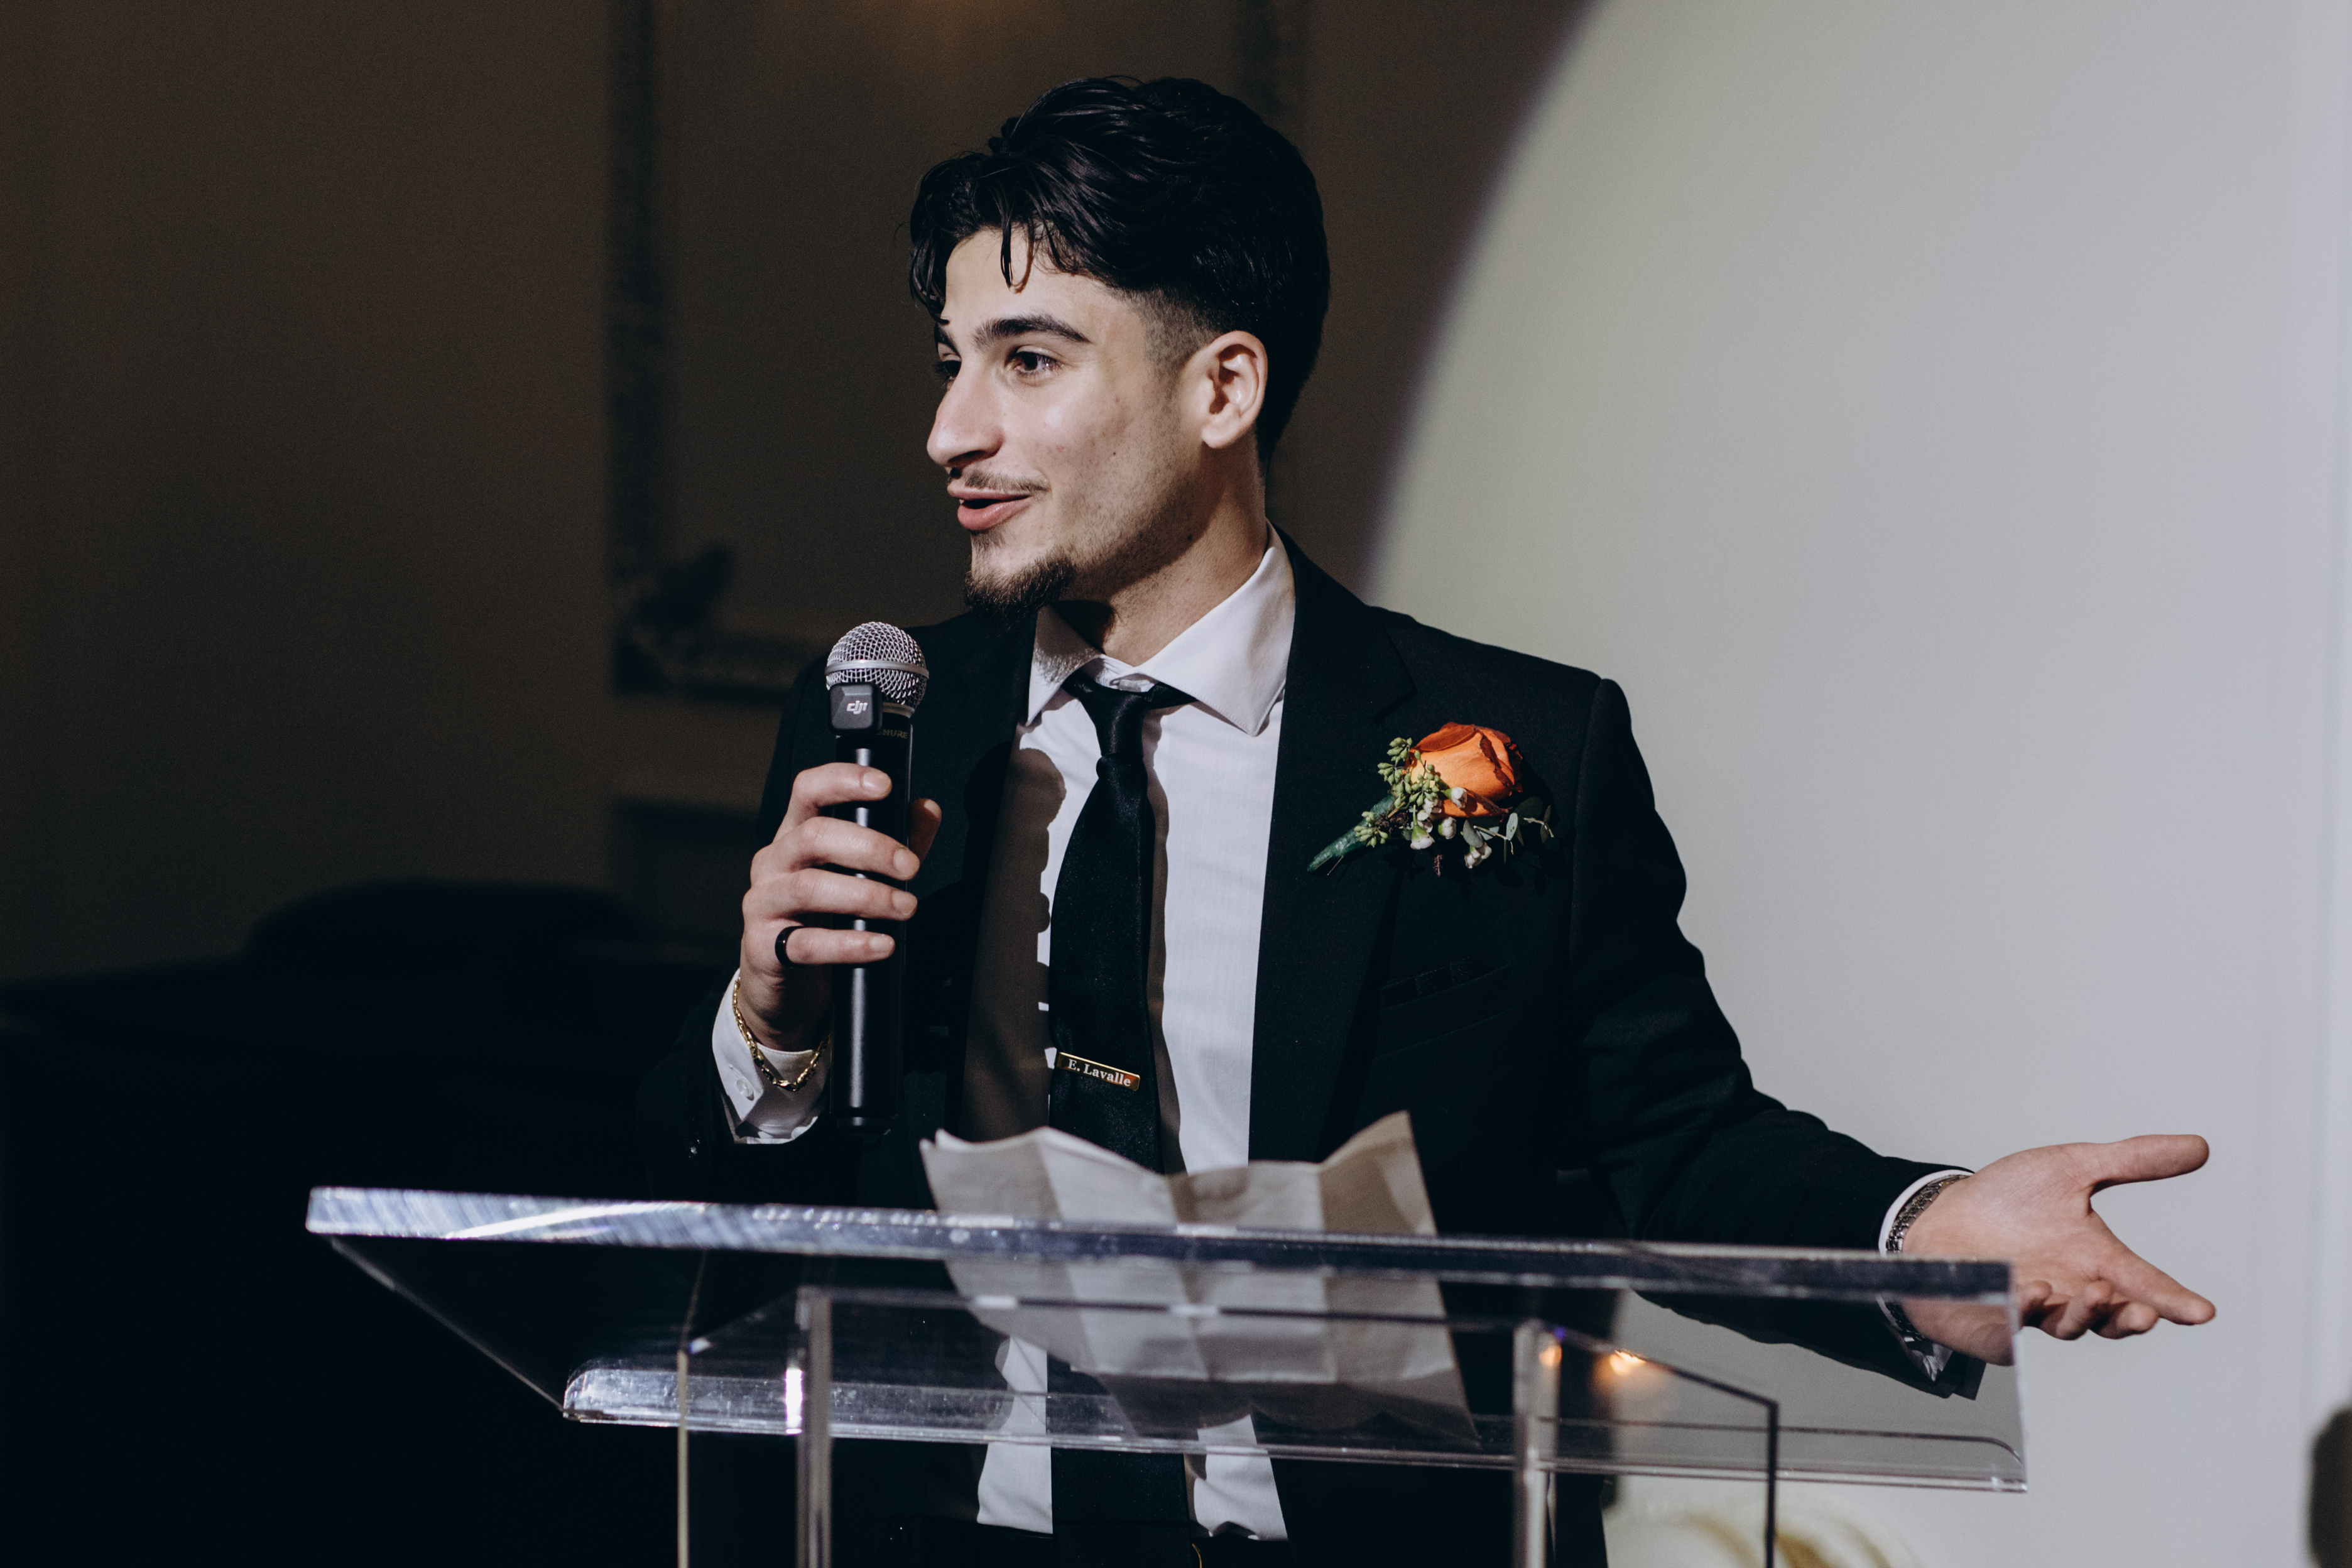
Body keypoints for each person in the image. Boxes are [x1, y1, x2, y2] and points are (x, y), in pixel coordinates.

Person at [637, 75, 2213, 1568]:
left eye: (1028, 362)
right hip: (961, 1537)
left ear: (1222, 387)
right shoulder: (889, 726)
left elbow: (1671, 1140)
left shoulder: (1513, 750)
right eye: (951, 362)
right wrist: (766, 1027)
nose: (952, 432)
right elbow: (739, 1222)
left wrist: (1925, 1234)